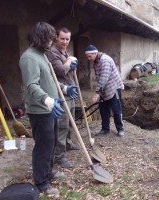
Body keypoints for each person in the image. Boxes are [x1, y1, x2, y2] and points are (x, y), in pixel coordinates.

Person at [19, 22, 78, 196]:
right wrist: (48, 101)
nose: (52, 42)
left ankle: (48, 172)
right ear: (40, 38)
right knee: (43, 147)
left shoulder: (43, 55)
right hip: (40, 110)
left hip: (49, 108)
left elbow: (50, 79)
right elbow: (31, 86)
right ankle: (41, 183)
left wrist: (65, 88)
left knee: (51, 144)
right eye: (49, 39)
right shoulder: (29, 58)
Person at [45, 27, 80, 169]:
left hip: (70, 91)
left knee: (70, 122)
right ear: (56, 38)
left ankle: (68, 143)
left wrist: (73, 66)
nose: (65, 42)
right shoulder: (52, 53)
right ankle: (59, 156)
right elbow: (59, 71)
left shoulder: (65, 52)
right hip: (60, 93)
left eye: (67, 39)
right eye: (62, 39)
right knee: (62, 126)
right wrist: (68, 62)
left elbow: (70, 70)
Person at [84, 44, 125, 137]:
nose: (88, 58)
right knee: (103, 109)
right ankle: (105, 129)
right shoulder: (96, 61)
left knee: (116, 110)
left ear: (95, 53)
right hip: (104, 89)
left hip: (114, 87)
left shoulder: (105, 60)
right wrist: (100, 91)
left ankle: (120, 129)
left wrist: (97, 93)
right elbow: (99, 78)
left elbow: (104, 78)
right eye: (87, 56)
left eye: (89, 56)